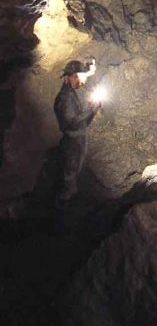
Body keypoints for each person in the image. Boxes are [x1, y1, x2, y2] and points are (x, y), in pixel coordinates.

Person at [53, 58, 102, 226]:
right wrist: (91, 109)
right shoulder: (64, 98)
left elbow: (81, 123)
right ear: (70, 76)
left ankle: (65, 213)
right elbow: (72, 122)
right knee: (69, 179)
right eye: (80, 77)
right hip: (72, 143)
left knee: (73, 175)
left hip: (78, 139)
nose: (82, 81)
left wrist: (92, 110)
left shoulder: (70, 93)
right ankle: (60, 221)